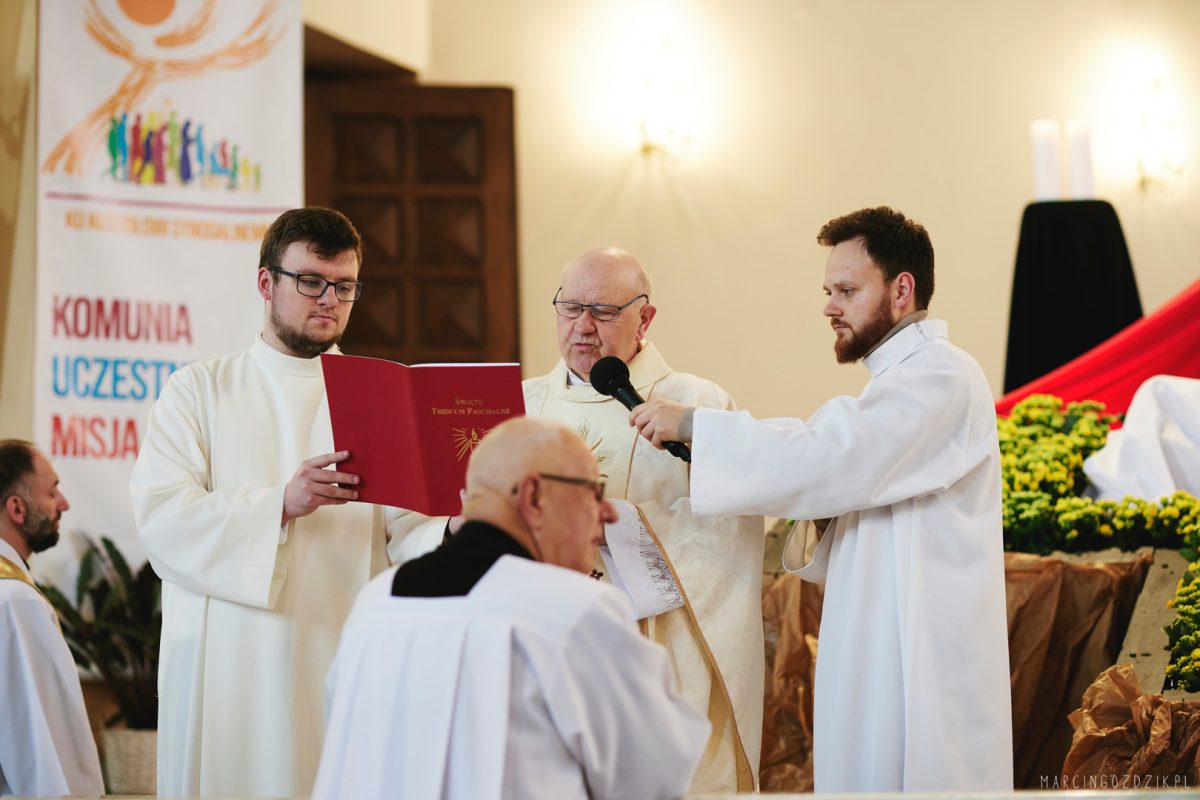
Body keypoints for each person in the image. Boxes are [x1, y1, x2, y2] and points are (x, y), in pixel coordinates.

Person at [631, 207, 1013, 792]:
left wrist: (698, 426)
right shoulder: (897, 383)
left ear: (901, 290)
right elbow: (833, 452)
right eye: (828, 291)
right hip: (880, 633)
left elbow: (836, 454)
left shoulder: (943, 375)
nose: (830, 307)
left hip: (922, 645)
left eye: (847, 291)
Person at [130, 207, 418, 798]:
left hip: (339, 647)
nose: (330, 300)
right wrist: (280, 505)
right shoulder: (199, 389)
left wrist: (463, 523)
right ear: (266, 283)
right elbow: (162, 516)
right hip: (229, 664)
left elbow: (410, 528)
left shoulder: (380, 394)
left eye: (345, 286)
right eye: (311, 281)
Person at [313, 417, 709, 800]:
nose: (607, 513)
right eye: (592, 493)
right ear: (533, 497)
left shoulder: (375, 604)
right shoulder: (573, 609)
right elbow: (657, 772)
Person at [0, 440, 105, 797]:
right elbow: (39, 751)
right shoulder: (15, 603)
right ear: (17, 508)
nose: (64, 503)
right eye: (51, 491)